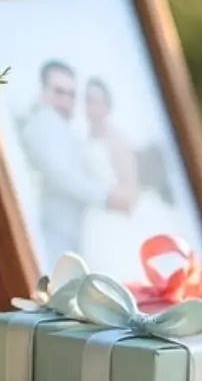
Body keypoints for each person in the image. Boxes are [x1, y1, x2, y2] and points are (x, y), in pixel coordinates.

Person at [18, 61, 130, 266]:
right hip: (54, 234)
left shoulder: (68, 132)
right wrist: (106, 197)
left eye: (71, 95)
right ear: (43, 91)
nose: (66, 100)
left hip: (80, 232)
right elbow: (61, 175)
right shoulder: (41, 124)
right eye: (59, 92)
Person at [78, 77, 182, 273]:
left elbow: (130, 189)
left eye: (98, 102)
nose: (93, 108)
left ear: (107, 106)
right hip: (97, 216)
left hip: (116, 215)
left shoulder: (116, 139)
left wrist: (110, 202)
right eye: (89, 101)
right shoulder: (84, 141)